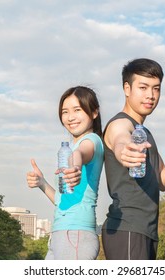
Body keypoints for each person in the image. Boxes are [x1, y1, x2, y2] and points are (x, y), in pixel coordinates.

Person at [101, 58, 165, 260]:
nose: (151, 95)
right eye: (143, 87)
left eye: (156, 89)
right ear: (127, 88)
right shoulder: (120, 123)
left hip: (147, 230)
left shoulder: (144, 133)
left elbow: (162, 182)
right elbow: (120, 139)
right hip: (127, 227)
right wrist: (124, 151)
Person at [26, 86, 104, 260]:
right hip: (61, 234)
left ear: (94, 113)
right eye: (65, 111)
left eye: (77, 110)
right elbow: (63, 201)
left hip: (76, 235)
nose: (70, 117)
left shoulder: (92, 141)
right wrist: (42, 183)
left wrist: (76, 166)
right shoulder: (70, 147)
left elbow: (80, 154)